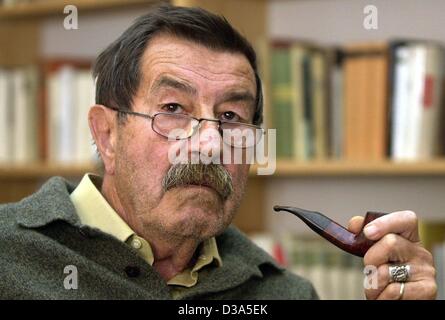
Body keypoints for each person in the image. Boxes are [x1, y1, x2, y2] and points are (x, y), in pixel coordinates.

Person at [0, 4, 436, 300]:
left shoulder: (283, 294)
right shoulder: (8, 256)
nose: (210, 144)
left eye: (230, 117)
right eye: (173, 109)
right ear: (107, 134)